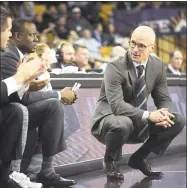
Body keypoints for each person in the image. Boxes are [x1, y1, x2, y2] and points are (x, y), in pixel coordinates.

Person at [91, 26, 185, 179]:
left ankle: (139, 158)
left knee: (178, 120)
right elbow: (117, 106)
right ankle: (109, 161)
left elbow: (164, 98)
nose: (135, 49)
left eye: (141, 46)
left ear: (152, 48)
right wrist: (149, 115)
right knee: (123, 123)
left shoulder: (158, 65)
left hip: (137, 120)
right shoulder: (114, 67)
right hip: (109, 120)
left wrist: (164, 112)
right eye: (132, 43)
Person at [1, 18, 77, 187]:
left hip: (15, 109)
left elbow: (21, 91)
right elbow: (20, 97)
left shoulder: (18, 56)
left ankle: (47, 171)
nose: (37, 39)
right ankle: (14, 173)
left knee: (53, 107)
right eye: (32, 35)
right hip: (9, 112)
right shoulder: (8, 55)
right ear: (18, 36)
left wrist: (35, 87)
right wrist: (57, 95)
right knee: (47, 104)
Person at [0, 6, 47, 188]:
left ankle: (8, 177)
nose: (10, 34)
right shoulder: (7, 56)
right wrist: (21, 79)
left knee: (15, 111)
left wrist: (25, 82)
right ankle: (15, 173)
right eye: (8, 30)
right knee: (19, 109)